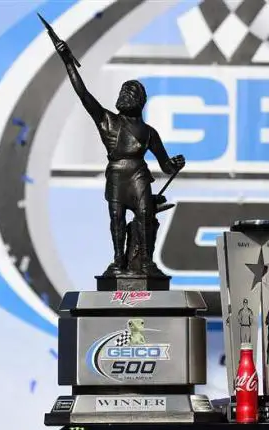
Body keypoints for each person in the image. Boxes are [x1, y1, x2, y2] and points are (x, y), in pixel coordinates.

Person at [51, 41, 185, 277]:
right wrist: (68, 61)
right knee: (117, 220)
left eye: (130, 93)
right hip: (116, 175)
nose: (125, 96)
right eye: (123, 92)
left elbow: (165, 164)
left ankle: (145, 262)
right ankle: (118, 261)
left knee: (145, 215)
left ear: (140, 101)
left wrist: (175, 164)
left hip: (139, 175)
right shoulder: (108, 121)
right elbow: (83, 94)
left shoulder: (149, 132)